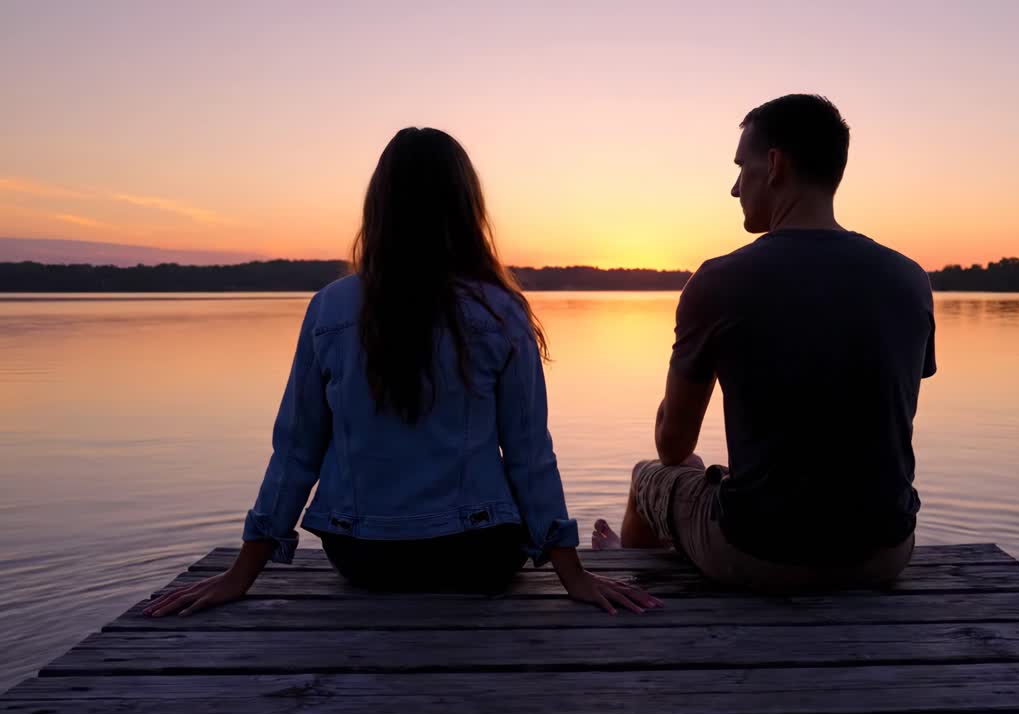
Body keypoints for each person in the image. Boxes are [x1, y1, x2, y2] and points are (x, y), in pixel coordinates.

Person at [146, 128, 659, 616]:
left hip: (363, 558)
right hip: (476, 555)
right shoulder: (502, 312)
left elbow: (296, 451)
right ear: (466, 208)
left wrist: (242, 573)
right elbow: (529, 454)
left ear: (379, 207)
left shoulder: (329, 309)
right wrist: (575, 576)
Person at [593, 95, 937, 593]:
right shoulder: (910, 279)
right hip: (885, 552)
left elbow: (673, 444)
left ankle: (634, 569)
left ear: (774, 165)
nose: (734, 187)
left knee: (653, 475)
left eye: (741, 167)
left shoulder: (718, 281)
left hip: (760, 554)